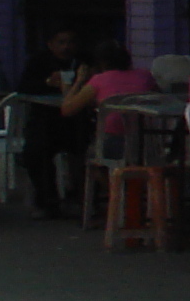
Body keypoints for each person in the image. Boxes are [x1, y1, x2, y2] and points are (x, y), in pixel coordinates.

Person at [23, 35, 148, 217]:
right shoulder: (145, 77)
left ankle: (118, 197)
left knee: (85, 155)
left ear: (101, 63)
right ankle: (131, 199)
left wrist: (78, 81)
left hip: (113, 143)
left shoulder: (99, 81)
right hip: (147, 143)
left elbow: (67, 109)